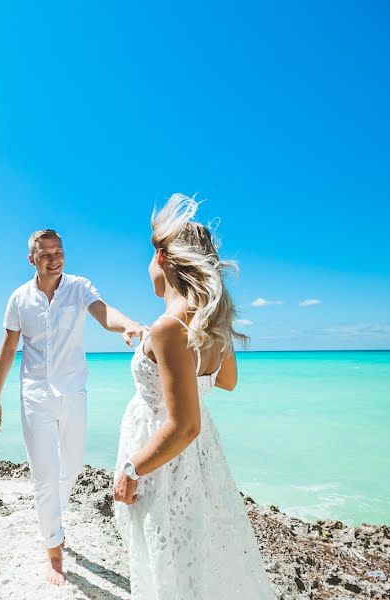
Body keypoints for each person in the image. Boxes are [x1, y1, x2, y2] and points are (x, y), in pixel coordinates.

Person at [113, 194, 275, 599]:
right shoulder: (206, 323)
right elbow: (226, 381)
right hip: (202, 459)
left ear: (164, 259)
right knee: (201, 556)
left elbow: (184, 424)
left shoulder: (170, 327)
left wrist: (133, 468)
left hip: (165, 461)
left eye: (150, 257)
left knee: (169, 561)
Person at [0, 229, 144, 585]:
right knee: (44, 475)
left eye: (58, 252)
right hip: (35, 396)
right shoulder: (19, 299)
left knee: (70, 469)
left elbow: (104, 314)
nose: (54, 259)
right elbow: (7, 350)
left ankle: (52, 522)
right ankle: (54, 550)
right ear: (32, 259)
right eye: (45, 254)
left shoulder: (79, 287)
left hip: (74, 393)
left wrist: (129, 324)